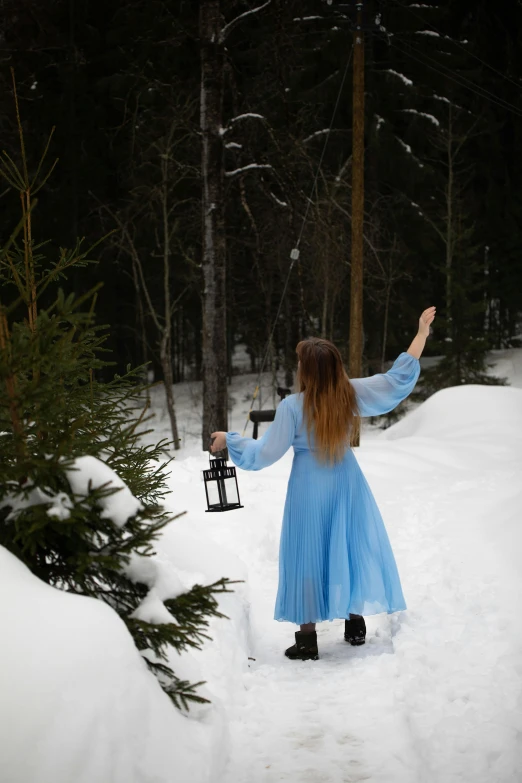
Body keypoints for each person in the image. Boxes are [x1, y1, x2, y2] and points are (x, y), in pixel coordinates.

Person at [211, 306, 436, 661]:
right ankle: (355, 625)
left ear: (307, 371)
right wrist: (421, 334)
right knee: (347, 544)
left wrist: (231, 440)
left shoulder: (292, 407)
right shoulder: (350, 393)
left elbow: (265, 453)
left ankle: (307, 642)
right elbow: (395, 381)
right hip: (346, 481)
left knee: (306, 554)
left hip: (308, 489)